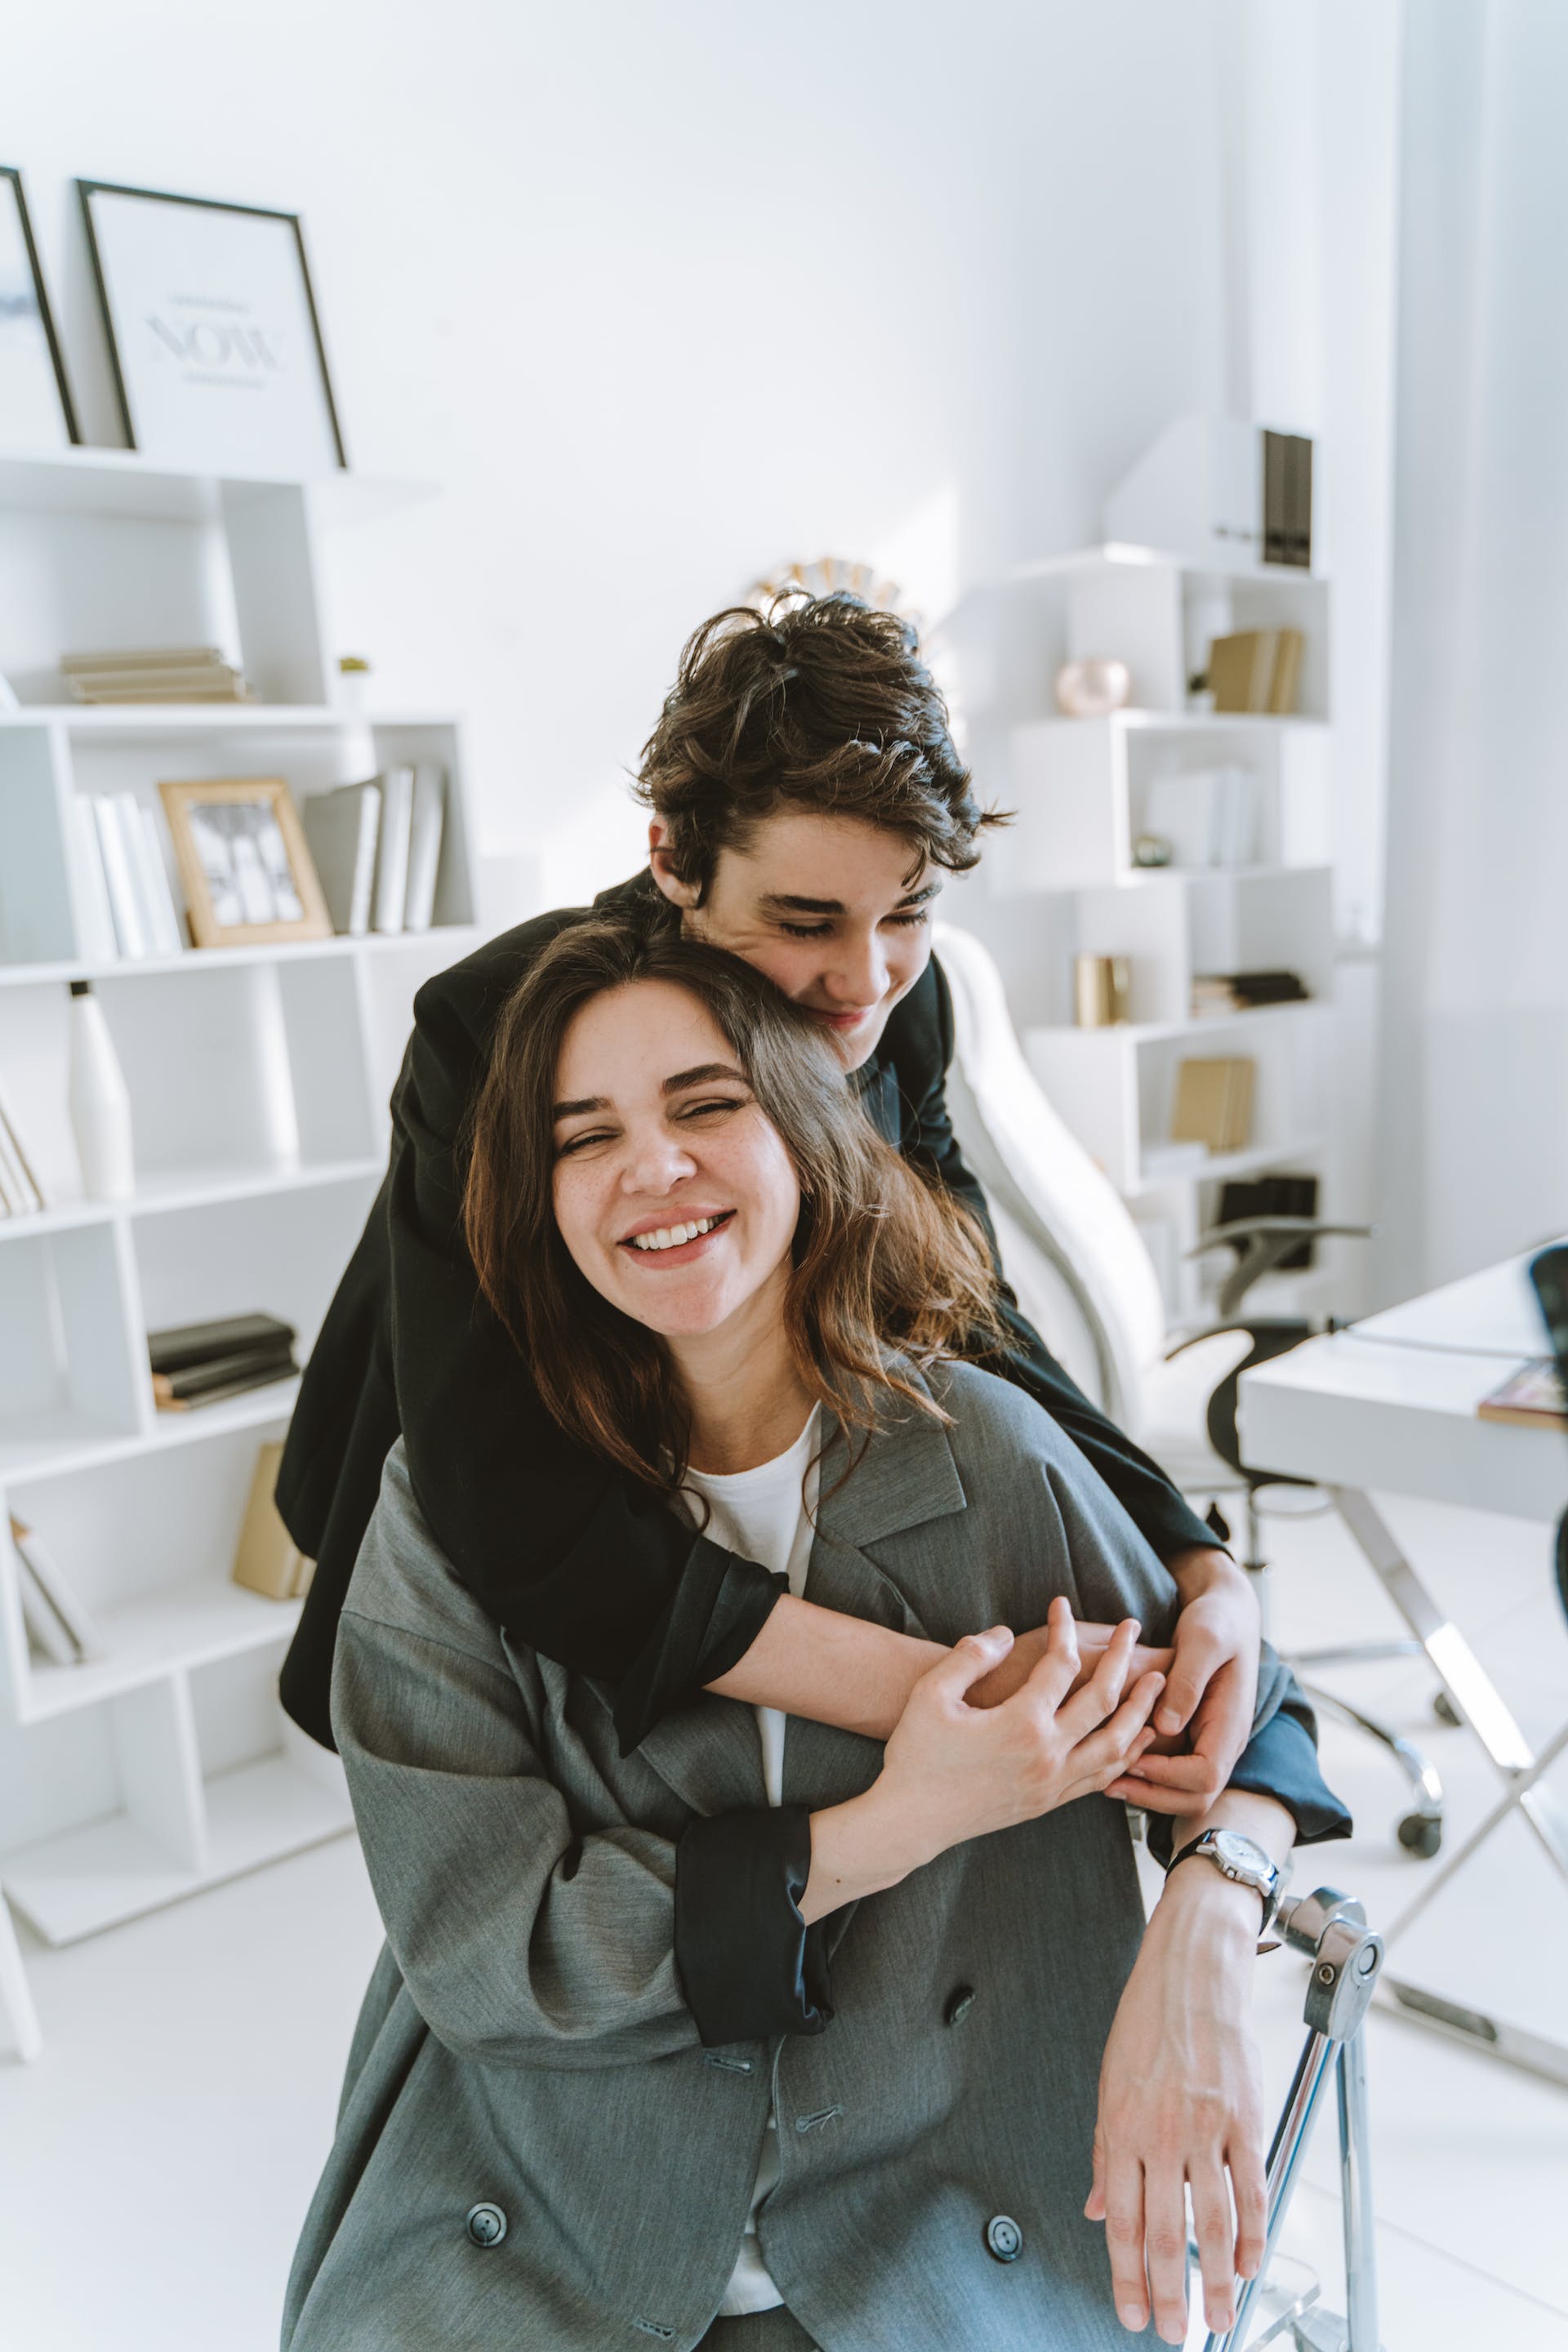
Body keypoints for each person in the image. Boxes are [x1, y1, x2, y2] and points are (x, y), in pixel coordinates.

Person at [283, 922, 1348, 2352]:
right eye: (583, 1138)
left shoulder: (986, 1452)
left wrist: (1209, 1927)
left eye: (707, 1106)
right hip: (544, 2221)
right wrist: (896, 1821)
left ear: (807, 1131)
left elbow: (1245, 1711)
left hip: (930, 2228)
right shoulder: (456, 1515)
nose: (653, 1169)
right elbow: (496, 1945)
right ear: (538, 1201)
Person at [275, 594, 1264, 1828]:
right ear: (674, 864)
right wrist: (964, 1699)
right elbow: (507, 1505)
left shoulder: (905, 1004)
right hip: (491, 1506)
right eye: (806, 923)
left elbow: (967, 1306)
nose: (863, 983)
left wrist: (1198, 1559)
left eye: (906, 914)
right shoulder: (495, 1031)